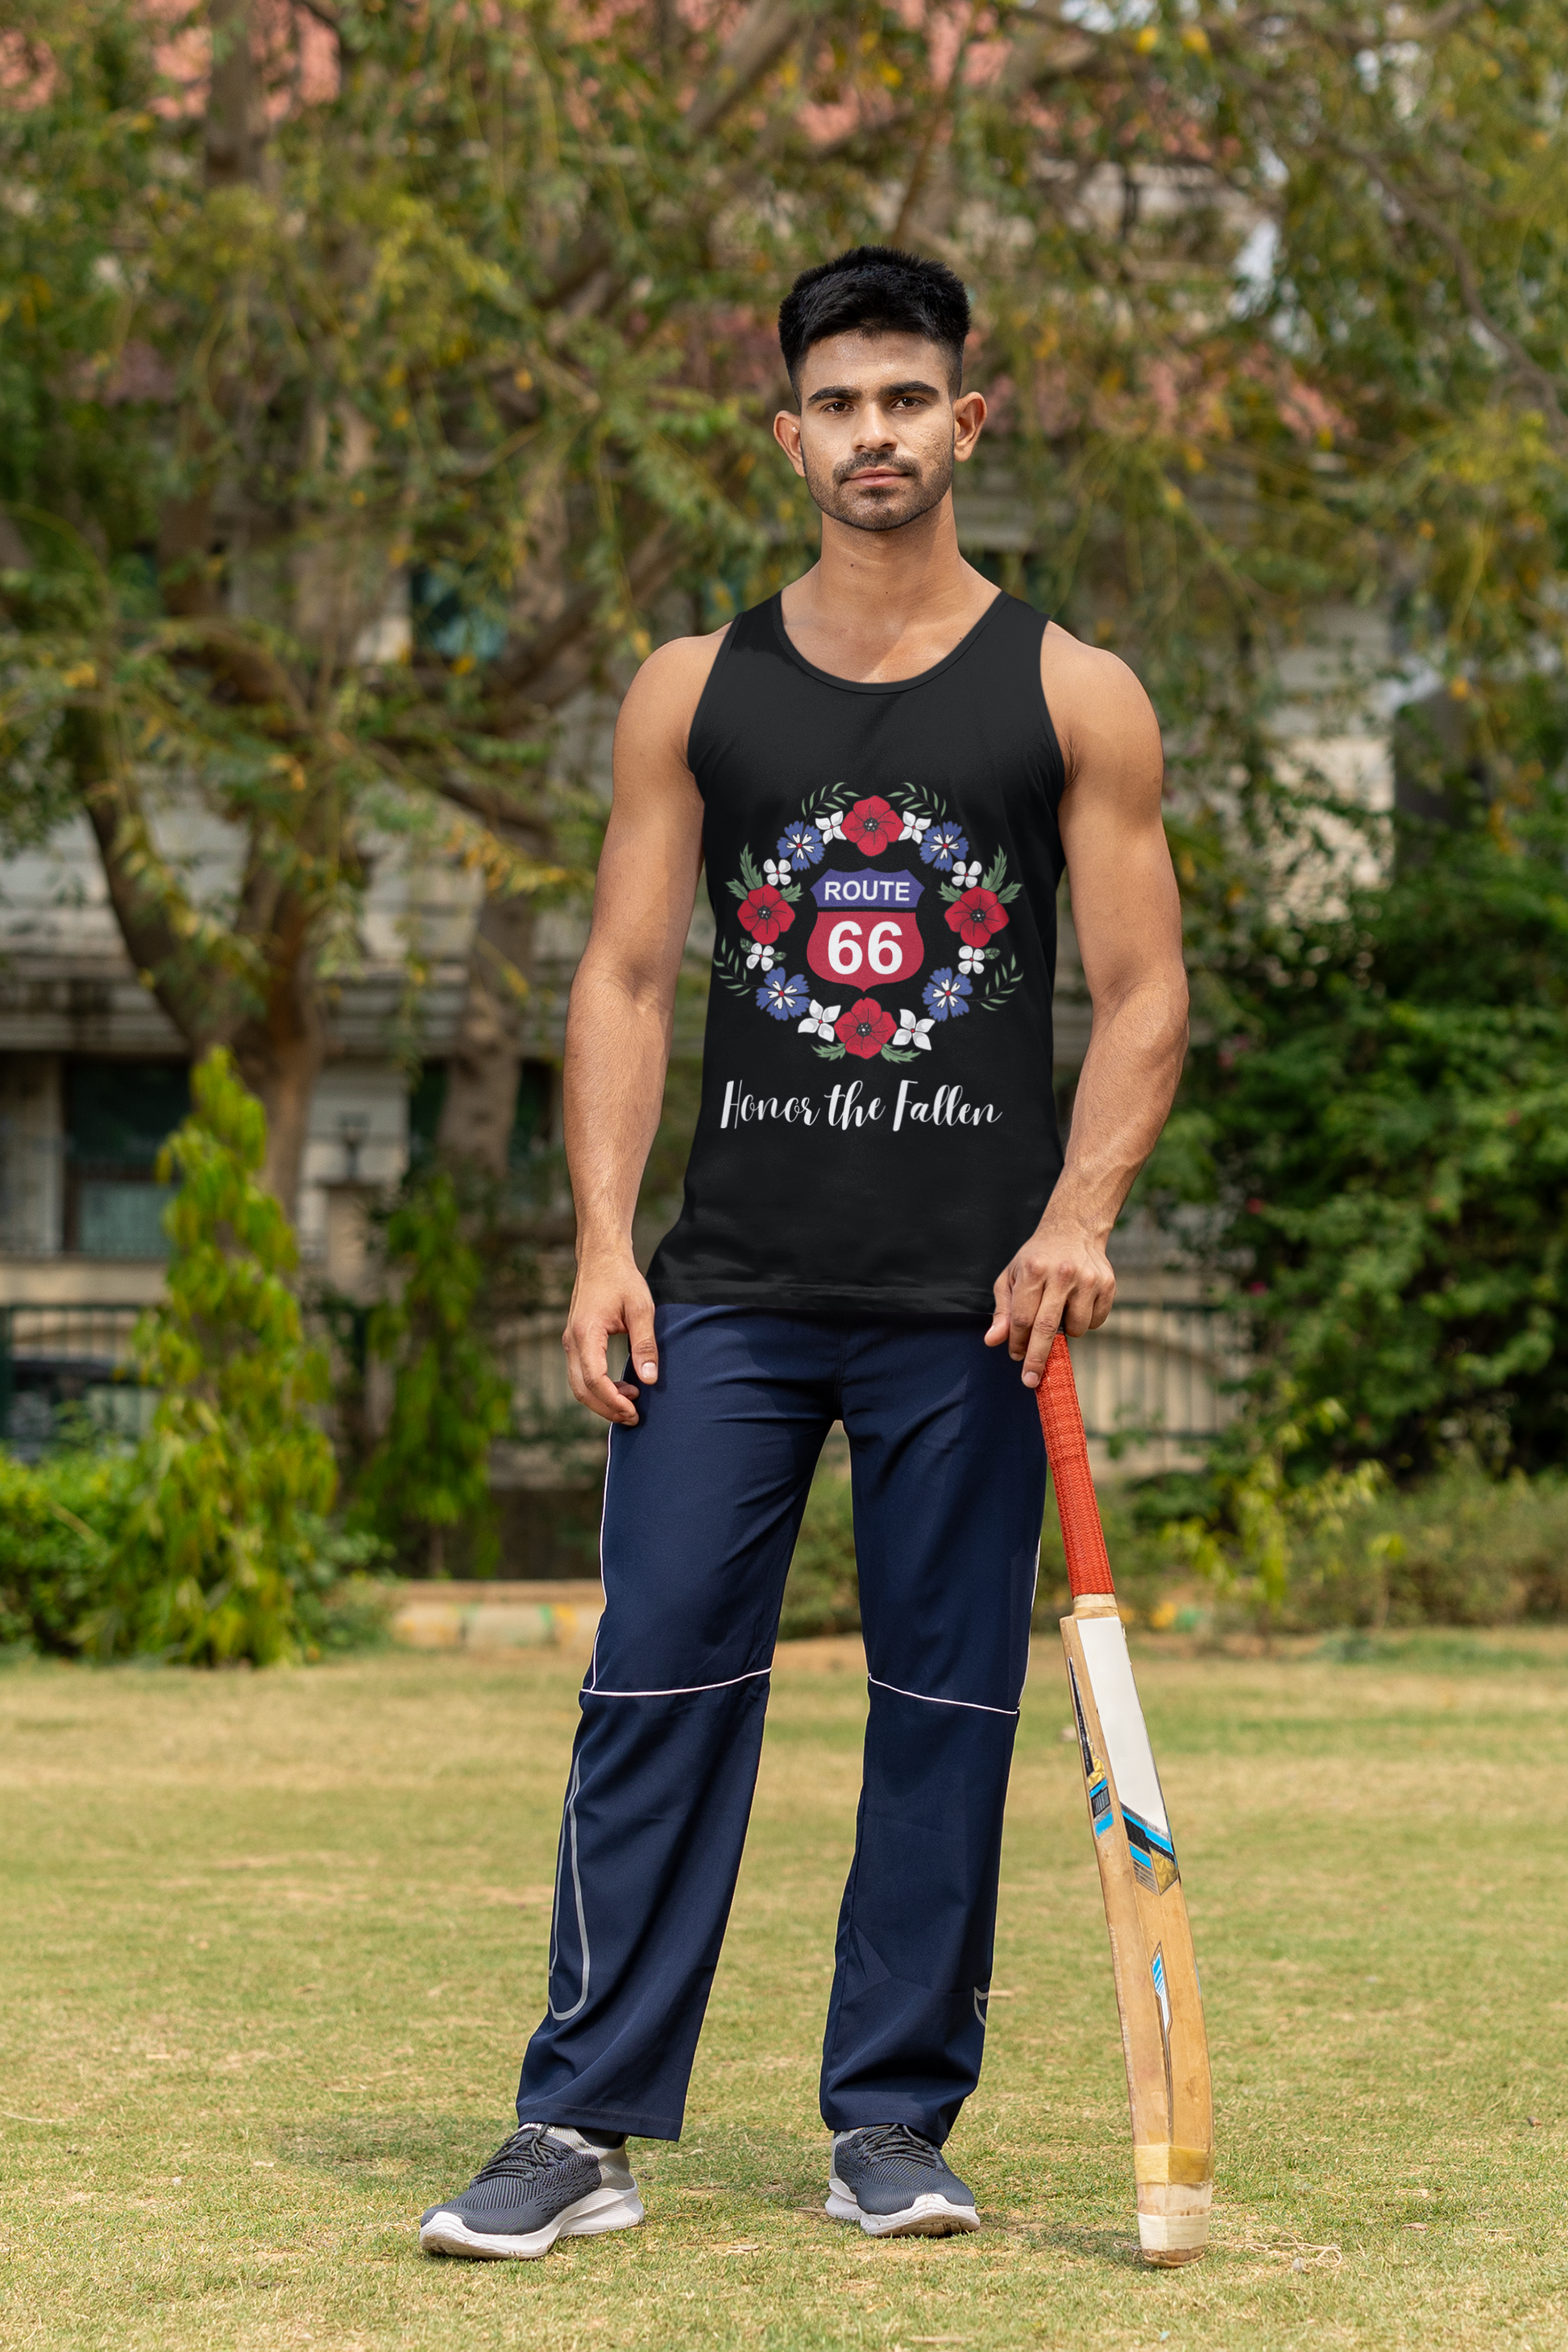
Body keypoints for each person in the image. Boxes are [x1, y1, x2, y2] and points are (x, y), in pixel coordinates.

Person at [420, 245, 1188, 2261]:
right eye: (838, 403)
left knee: (943, 1712)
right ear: (789, 435)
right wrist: (604, 1238)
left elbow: (1142, 993)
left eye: (906, 398)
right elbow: (619, 970)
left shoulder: (1069, 691)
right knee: (655, 1681)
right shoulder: (694, 687)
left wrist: (1077, 1216)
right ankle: (577, 2127)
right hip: (730, 1290)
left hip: (970, 1309)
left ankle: (892, 2126)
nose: (875, 434)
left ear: (966, 422)